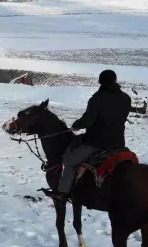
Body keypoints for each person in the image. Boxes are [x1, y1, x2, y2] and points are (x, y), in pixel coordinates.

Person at [54, 69, 132, 202]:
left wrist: (76, 125)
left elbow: (88, 120)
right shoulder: (126, 98)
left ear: (100, 81)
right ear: (115, 80)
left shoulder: (97, 99)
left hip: (97, 143)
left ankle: (62, 193)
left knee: (69, 161)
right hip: (118, 143)